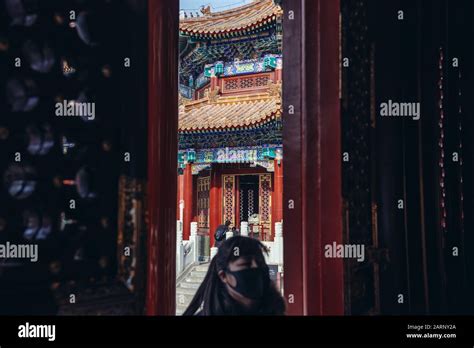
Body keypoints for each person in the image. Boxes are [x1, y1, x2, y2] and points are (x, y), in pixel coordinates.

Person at [183, 236, 286, 316]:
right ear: (223, 276)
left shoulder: (276, 310)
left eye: (260, 263)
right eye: (246, 264)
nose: (256, 268)